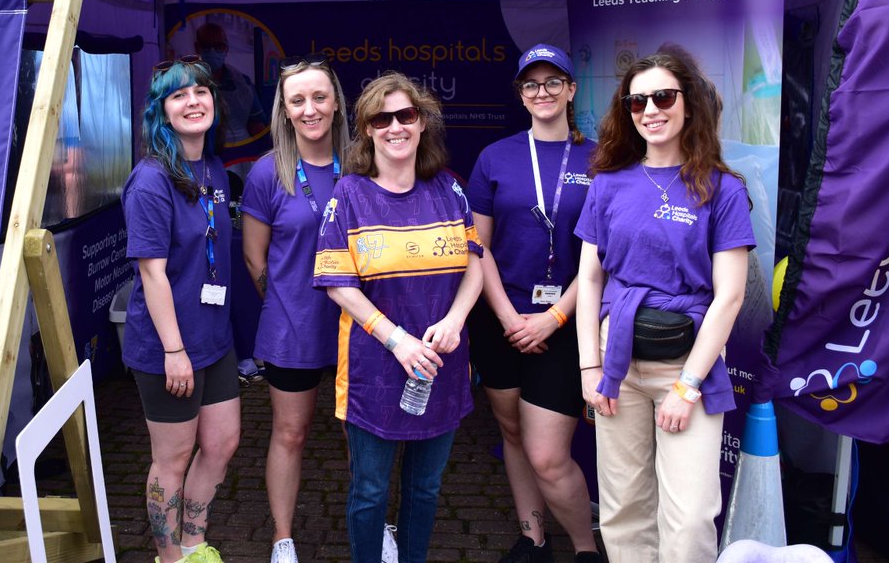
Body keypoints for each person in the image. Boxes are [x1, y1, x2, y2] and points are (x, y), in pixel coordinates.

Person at [575, 50, 755, 563]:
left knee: (691, 513)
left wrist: (687, 386)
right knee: (623, 507)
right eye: (637, 101)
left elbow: (731, 296)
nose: (649, 109)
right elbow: (590, 278)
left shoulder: (724, 189)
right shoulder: (607, 183)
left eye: (662, 96)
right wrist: (590, 366)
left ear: (689, 104)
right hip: (617, 362)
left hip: (687, 363)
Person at [314, 71, 484, 563]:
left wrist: (454, 321)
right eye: (381, 118)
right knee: (369, 491)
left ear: (421, 122)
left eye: (405, 115)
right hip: (375, 369)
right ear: (366, 128)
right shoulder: (348, 194)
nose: (395, 127)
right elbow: (339, 286)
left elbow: (475, 264)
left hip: (441, 366)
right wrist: (397, 341)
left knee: (425, 489)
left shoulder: (450, 189)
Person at [466, 44, 602, 563]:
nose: (541, 92)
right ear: (520, 95)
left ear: (570, 91)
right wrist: (505, 316)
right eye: (530, 84)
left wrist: (553, 318)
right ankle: (533, 539)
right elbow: (477, 248)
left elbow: (600, 258)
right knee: (513, 433)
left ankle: (587, 549)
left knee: (548, 454)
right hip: (500, 320)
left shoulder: (600, 159)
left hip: (566, 324)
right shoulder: (495, 157)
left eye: (552, 82)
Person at [121, 55, 239, 563]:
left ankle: (194, 544)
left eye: (200, 91)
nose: (193, 101)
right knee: (171, 460)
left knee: (221, 445)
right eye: (178, 95)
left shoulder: (211, 166)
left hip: (214, 340)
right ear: (161, 112)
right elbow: (152, 273)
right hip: (168, 348)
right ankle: (169, 559)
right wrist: (174, 350)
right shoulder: (150, 180)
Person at [240, 54, 350, 563]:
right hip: (294, 326)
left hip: (362, 325)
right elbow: (254, 257)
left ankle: (376, 526)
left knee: (366, 434)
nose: (310, 109)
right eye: (297, 100)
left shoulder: (364, 162)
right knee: (290, 432)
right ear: (284, 111)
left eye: (319, 97)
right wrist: (286, 307)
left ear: (336, 103)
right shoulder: (268, 173)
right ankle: (283, 538)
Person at [195, 21, 268, 144]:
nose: (213, 51)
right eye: (206, 46)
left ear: (226, 49)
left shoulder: (242, 83)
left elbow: (257, 125)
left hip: (239, 152)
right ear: (197, 48)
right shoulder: (187, 83)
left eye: (219, 46)